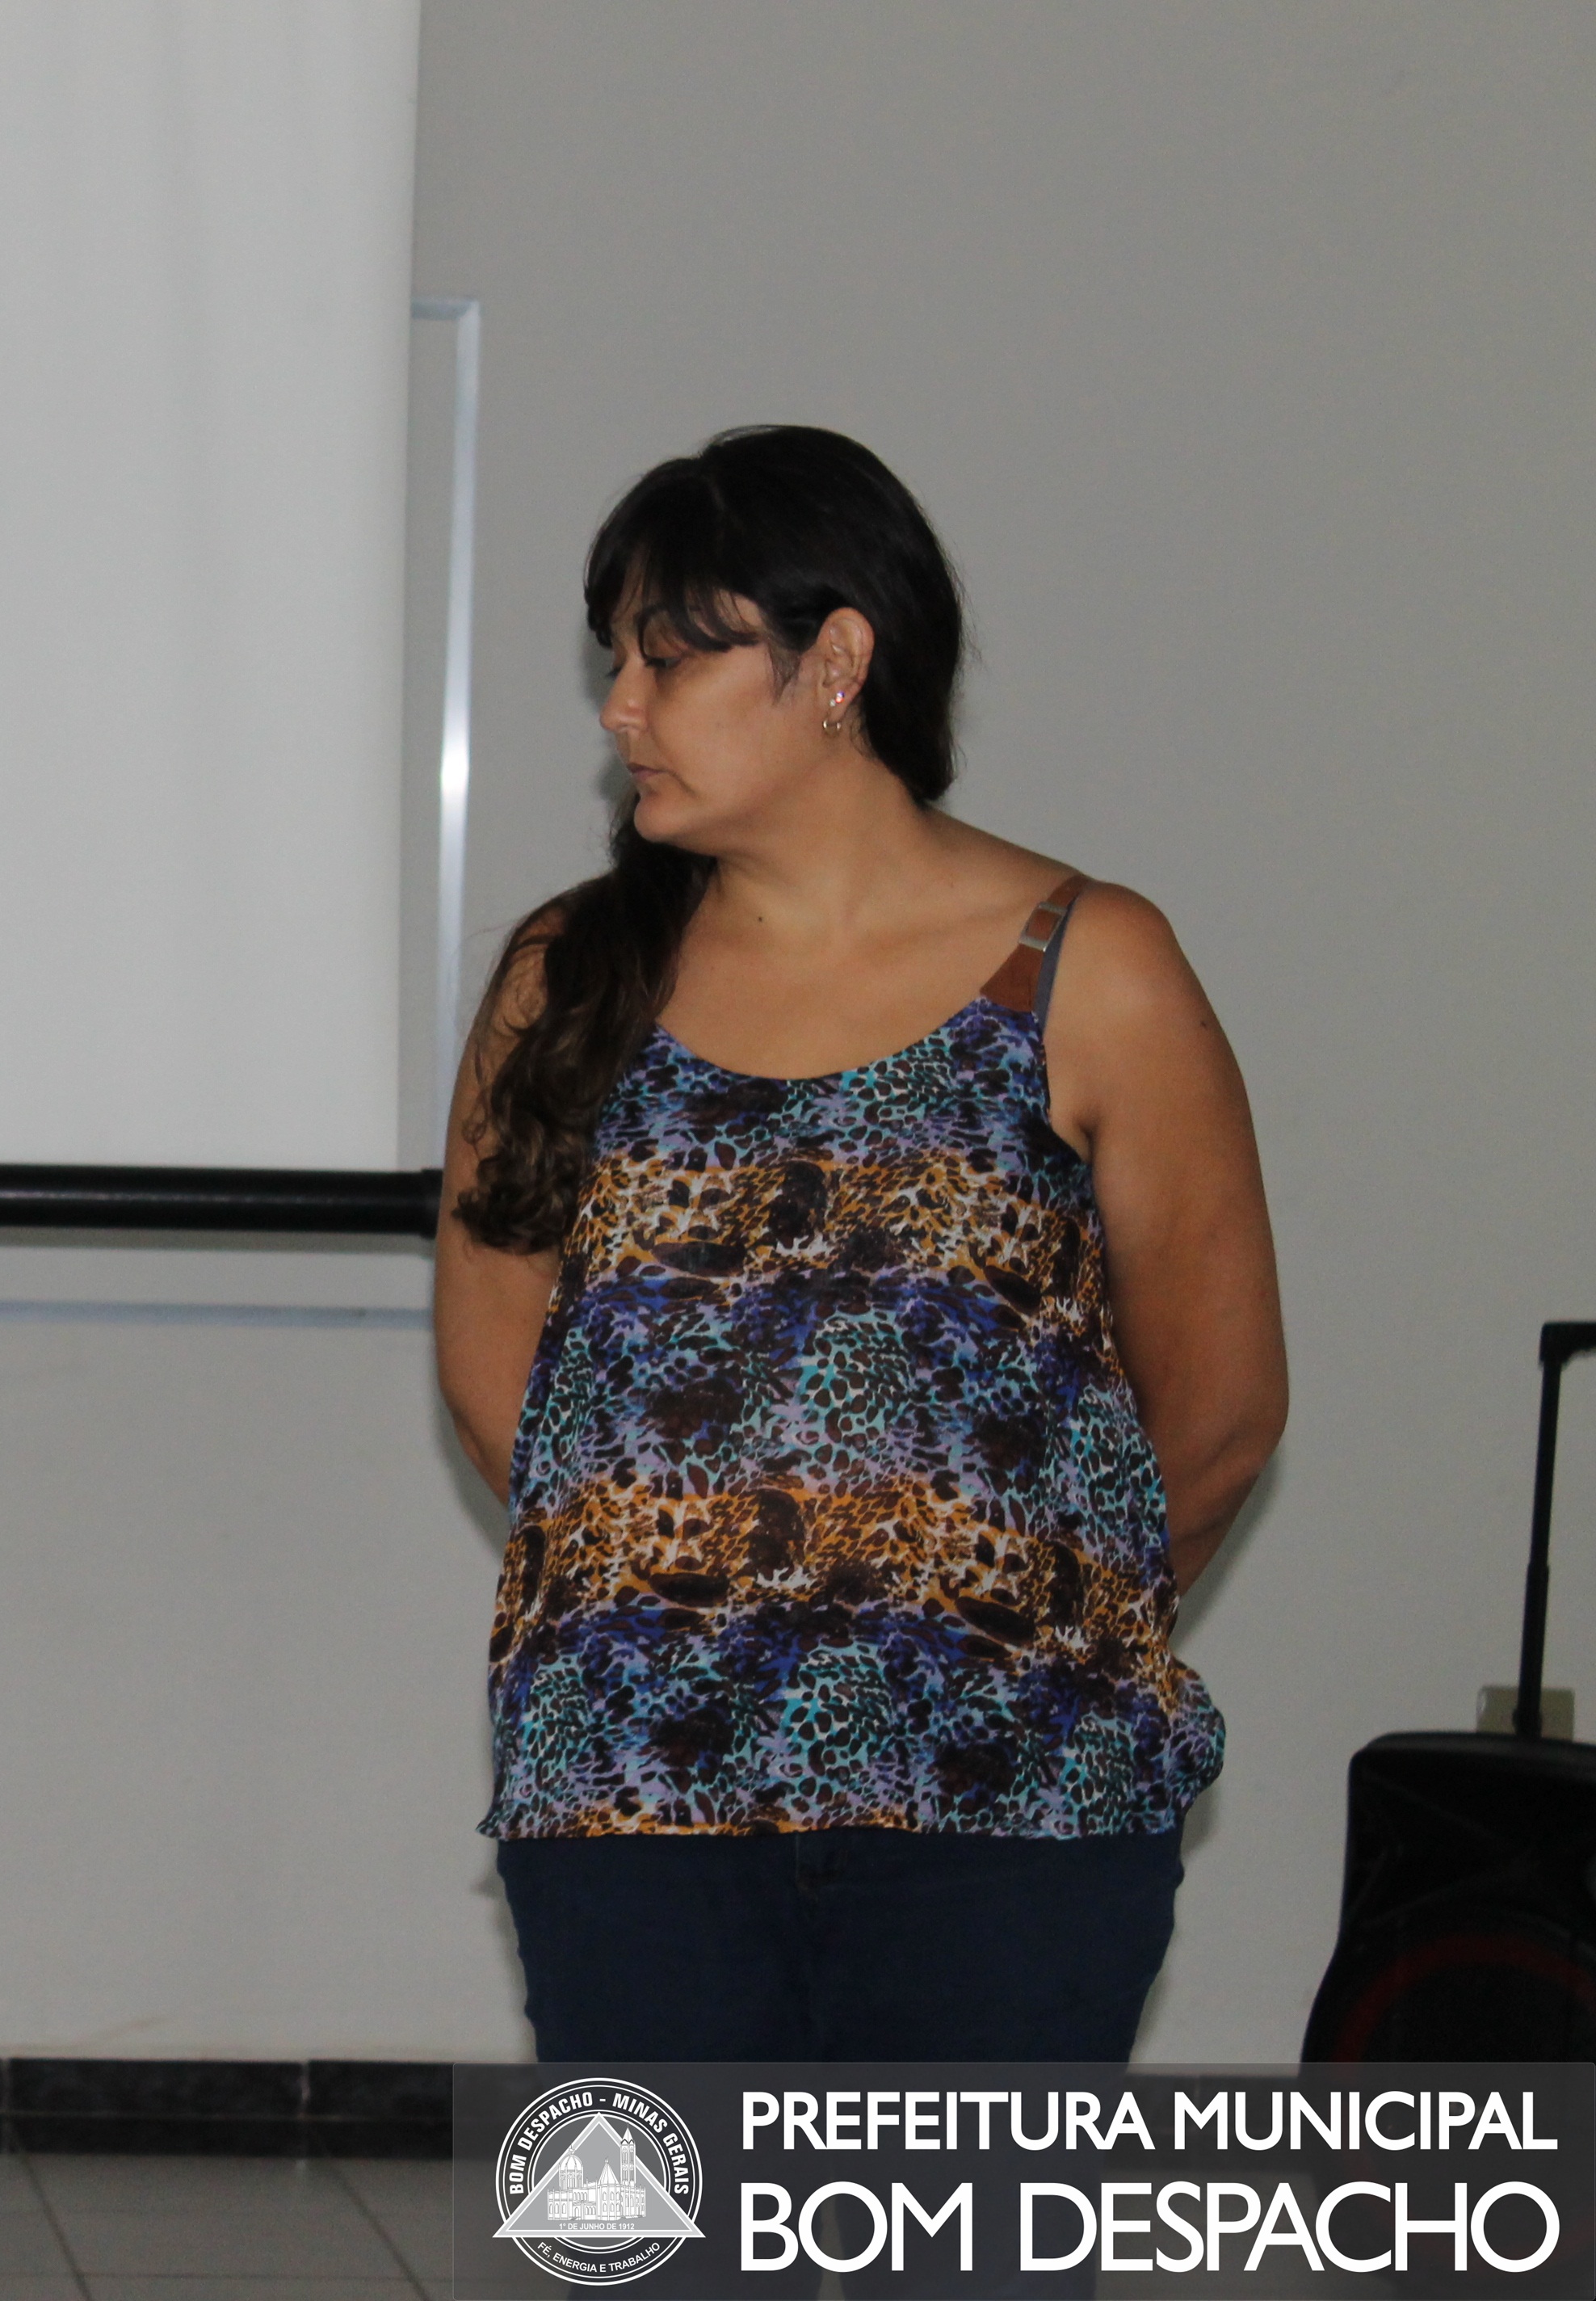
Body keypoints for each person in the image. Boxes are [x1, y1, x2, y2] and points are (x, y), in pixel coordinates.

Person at [432, 428, 1285, 2069]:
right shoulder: (570, 974)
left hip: (1013, 1812)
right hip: (632, 1800)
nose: (621, 710)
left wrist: (995, 1609)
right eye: (617, 661)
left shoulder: (1093, 967)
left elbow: (1224, 1406)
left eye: (670, 659)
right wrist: (703, 1605)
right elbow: (501, 1387)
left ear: (835, 663)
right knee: (653, 2218)